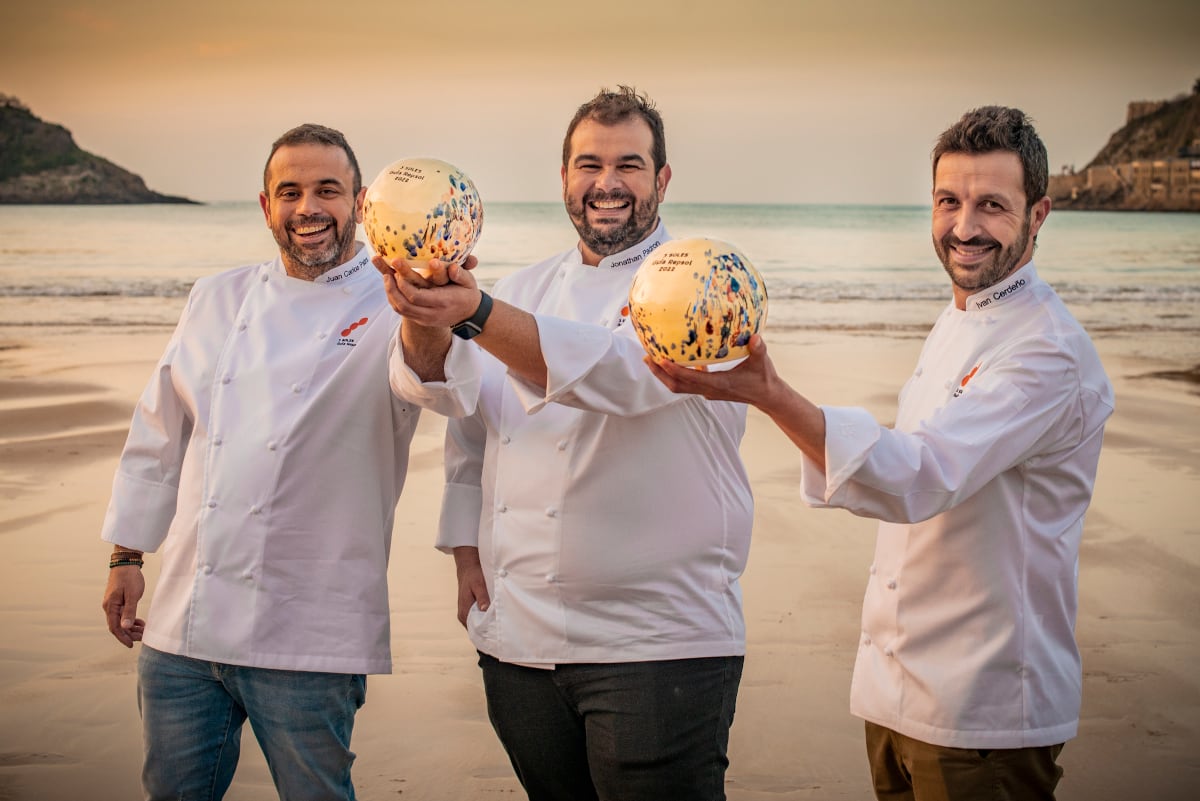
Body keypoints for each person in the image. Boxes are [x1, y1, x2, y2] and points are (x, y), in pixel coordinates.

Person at [648, 105, 1115, 800]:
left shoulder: (1046, 351)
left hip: (984, 709)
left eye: (992, 205)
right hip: (898, 693)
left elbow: (921, 475)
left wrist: (769, 393)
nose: (964, 227)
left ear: (1039, 213)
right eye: (948, 201)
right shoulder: (962, 314)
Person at [375, 87, 752, 801]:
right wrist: (425, 308)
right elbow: (459, 415)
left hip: (657, 641)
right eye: (589, 164)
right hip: (520, 641)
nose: (606, 184)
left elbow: (624, 376)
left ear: (662, 180)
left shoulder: (703, 283)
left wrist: (475, 311)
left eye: (629, 165)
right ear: (563, 178)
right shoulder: (525, 287)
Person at [99, 123, 422, 801]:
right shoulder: (216, 297)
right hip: (186, 624)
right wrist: (126, 555)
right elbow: (161, 429)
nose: (308, 207)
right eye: (291, 191)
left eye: (327, 189)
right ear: (265, 205)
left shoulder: (398, 302)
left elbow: (437, 381)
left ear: (361, 202)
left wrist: (433, 309)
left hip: (309, 632)